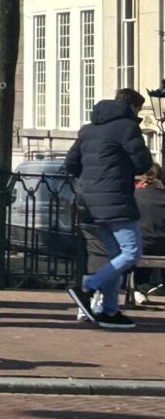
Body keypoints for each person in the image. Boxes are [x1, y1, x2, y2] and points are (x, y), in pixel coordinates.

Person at [65, 88, 152, 329]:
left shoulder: (87, 129)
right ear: (133, 108)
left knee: (116, 256)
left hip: (91, 201)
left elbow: (71, 163)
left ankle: (110, 311)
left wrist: (92, 180)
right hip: (117, 200)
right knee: (132, 253)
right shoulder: (127, 128)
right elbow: (142, 163)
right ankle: (88, 285)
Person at [82, 165, 165, 311]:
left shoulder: (133, 196)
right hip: (161, 247)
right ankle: (140, 290)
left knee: (122, 253)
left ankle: (100, 292)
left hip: (141, 243)